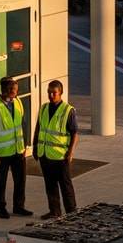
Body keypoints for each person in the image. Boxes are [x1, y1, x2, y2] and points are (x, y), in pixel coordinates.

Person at [0, 76, 32, 219]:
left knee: (20, 180)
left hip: (18, 150)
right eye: (12, 89)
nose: (14, 92)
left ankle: (19, 206)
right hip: (2, 153)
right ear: (4, 89)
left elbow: (22, 125)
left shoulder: (17, 102)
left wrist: (24, 147)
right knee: (1, 182)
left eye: (16, 90)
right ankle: (0, 207)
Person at [33, 79, 79, 218]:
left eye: (54, 93)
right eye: (49, 92)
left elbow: (74, 133)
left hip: (60, 156)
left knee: (65, 185)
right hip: (45, 154)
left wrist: (70, 152)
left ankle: (71, 212)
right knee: (50, 185)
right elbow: (38, 129)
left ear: (61, 93)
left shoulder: (68, 111)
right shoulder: (44, 108)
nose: (51, 95)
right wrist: (35, 148)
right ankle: (54, 211)